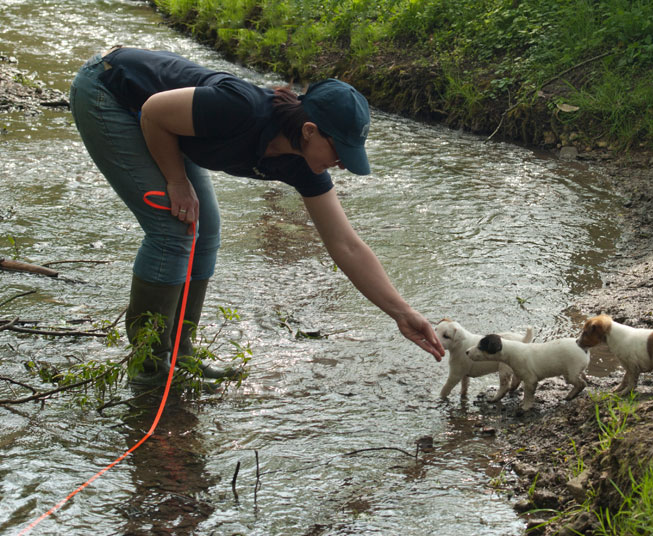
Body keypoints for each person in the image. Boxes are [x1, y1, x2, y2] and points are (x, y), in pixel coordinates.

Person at [69, 46, 444, 384]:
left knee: (205, 229)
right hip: (109, 91)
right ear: (310, 131)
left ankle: (180, 353)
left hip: (163, 122)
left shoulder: (302, 163)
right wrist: (176, 180)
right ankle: (148, 367)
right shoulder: (241, 108)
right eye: (340, 151)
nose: (343, 164)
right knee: (172, 228)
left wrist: (401, 313)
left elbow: (345, 244)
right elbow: (153, 112)